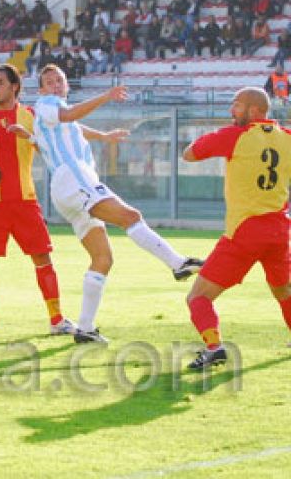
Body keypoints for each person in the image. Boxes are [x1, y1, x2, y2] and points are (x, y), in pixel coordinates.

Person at [30, 64, 204, 343]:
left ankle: (85, 327)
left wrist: (103, 136)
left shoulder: (49, 117)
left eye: (59, 80)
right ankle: (178, 263)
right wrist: (106, 96)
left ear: (67, 84)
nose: (55, 85)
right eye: (49, 82)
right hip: (75, 178)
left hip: (66, 189)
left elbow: (73, 126)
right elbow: (70, 115)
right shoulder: (49, 104)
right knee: (131, 216)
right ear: (41, 90)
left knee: (103, 258)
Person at [0, 64, 76, 338]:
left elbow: (49, 148)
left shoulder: (31, 116)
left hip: (24, 199)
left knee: (42, 257)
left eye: (0, 82)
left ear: (14, 86)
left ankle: (57, 319)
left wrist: (30, 137)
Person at [181, 88, 291, 369]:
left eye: (237, 105)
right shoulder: (287, 138)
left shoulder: (234, 136)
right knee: (283, 290)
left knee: (197, 297)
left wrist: (220, 140)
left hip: (245, 232)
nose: (232, 111)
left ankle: (215, 347)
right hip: (279, 229)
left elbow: (189, 155)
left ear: (254, 110)